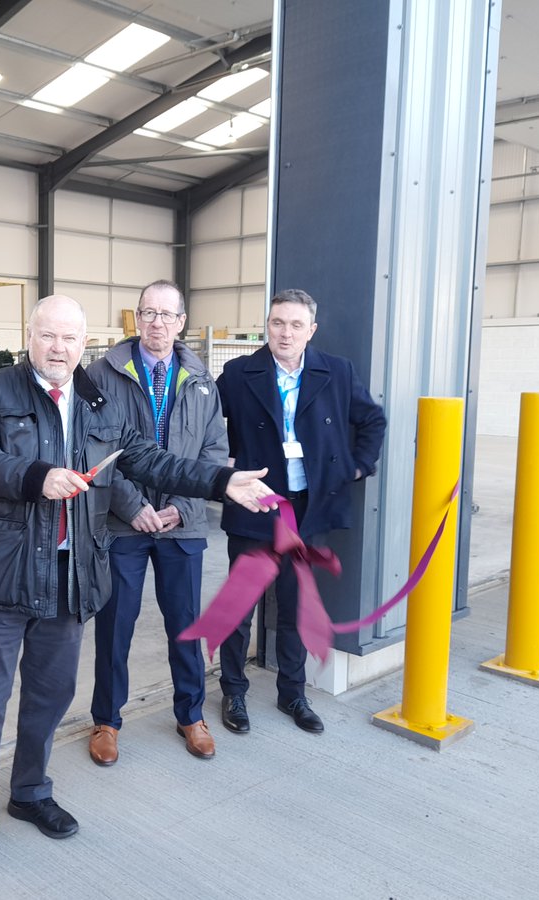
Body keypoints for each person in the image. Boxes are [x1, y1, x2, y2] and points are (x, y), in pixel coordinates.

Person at [0, 294, 277, 874]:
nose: (59, 349)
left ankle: (30, 791)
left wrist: (221, 483)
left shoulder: (98, 401)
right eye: (48, 336)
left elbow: (151, 460)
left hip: (70, 576)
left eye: (70, 338)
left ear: (84, 343)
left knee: (49, 696)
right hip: (1, 574)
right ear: (30, 335)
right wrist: (36, 476)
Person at [216, 289, 386, 737]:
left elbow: (373, 420)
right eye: (277, 323)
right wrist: (222, 467)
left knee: (295, 606)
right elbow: (207, 424)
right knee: (239, 607)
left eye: (295, 325)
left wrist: (356, 466)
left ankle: (292, 693)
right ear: (267, 327)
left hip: (309, 509)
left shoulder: (337, 372)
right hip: (256, 504)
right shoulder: (238, 373)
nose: (285, 333)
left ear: (311, 330)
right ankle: (233, 690)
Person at [85, 280, 227, 765]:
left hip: (182, 524)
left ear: (181, 322)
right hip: (124, 522)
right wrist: (131, 506)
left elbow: (214, 451)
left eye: (167, 315)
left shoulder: (202, 380)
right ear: (136, 318)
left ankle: (191, 715)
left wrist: (183, 507)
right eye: (148, 313)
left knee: (185, 624)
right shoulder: (102, 375)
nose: (157, 323)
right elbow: (95, 448)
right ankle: (107, 720)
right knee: (115, 626)